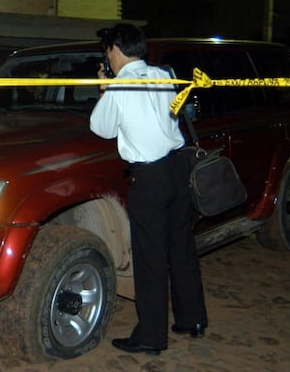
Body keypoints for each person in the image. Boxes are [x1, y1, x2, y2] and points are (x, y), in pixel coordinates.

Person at [89, 24, 207, 356]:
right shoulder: (163, 75)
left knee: (150, 258)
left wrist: (104, 88)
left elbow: (101, 128)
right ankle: (192, 319)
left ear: (114, 49)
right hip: (177, 168)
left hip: (151, 178)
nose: (107, 58)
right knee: (181, 248)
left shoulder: (120, 86)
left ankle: (151, 337)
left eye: (107, 51)